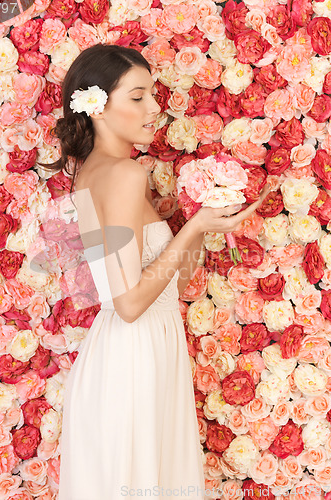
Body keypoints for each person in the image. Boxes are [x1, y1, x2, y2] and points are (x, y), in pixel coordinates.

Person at [42, 43, 271, 500]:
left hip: (138, 349)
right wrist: (195, 228)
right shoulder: (125, 176)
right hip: (134, 354)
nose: (155, 108)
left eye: (153, 95)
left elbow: (172, 286)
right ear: (97, 107)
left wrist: (197, 225)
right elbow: (127, 303)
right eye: (138, 97)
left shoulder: (93, 171)